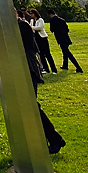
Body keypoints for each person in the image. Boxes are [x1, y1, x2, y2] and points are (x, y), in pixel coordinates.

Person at [16, 9, 66, 154]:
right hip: (22, 70)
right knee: (30, 106)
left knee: (31, 105)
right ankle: (49, 139)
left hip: (28, 69)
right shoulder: (19, 25)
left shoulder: (22, 25)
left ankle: (54, 139)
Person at [29, 9, 57, 74]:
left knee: (47, 54)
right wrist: (32, 27)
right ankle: (46, 68)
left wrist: (32, 27)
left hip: (43, 38)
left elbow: (40, 27)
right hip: (36, 38)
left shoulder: (40, 20)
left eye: (32, 14)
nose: (31, 15)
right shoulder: (32, 20)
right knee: (41, 54)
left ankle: (54, 69)